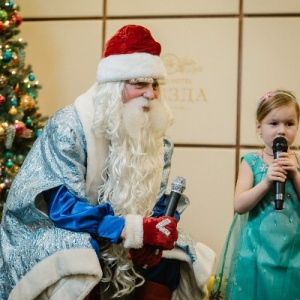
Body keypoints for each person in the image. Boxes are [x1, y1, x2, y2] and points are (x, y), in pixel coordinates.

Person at [0, 24, 215, 300]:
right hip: (61, 230)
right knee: (78, 253)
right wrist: (128, 229)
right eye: (139, 83)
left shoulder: (156, 139)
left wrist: (157, 232)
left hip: (121, 237)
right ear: (114, 87)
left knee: (177, 253)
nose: (150, 94)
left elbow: (159, 200)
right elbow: (61, 207)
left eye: (155, 84)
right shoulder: (70, 126)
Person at [209, 89, 300, 300]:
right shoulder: (251, 162)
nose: (281, 131)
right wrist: (267, 181)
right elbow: (240, 205)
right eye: (273, 123)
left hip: (294, 251)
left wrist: (294, 175)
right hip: (256, 251)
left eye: (289, 123)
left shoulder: (297, 162)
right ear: (259, 127)